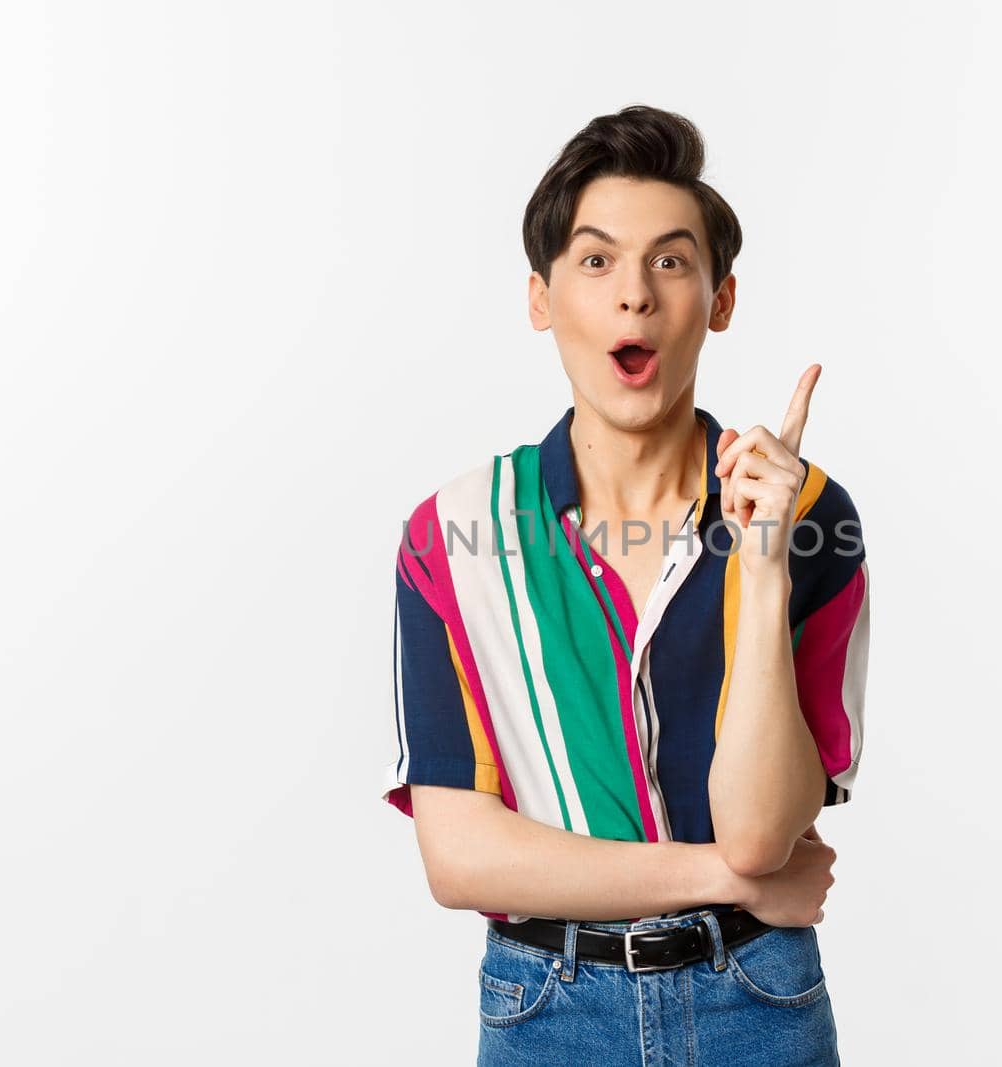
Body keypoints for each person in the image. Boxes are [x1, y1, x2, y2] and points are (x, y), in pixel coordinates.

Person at [383, 104, 872, 1066]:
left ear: (720, 299)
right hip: (547, 1008)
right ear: (541, 296)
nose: (635, 296)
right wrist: (727, 878)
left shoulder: (807, 511)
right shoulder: (453, 534)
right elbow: (461, 855)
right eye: (597, 261)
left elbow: (764, 831)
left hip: (758, 1001)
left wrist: (763, 563)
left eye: (672, 261)